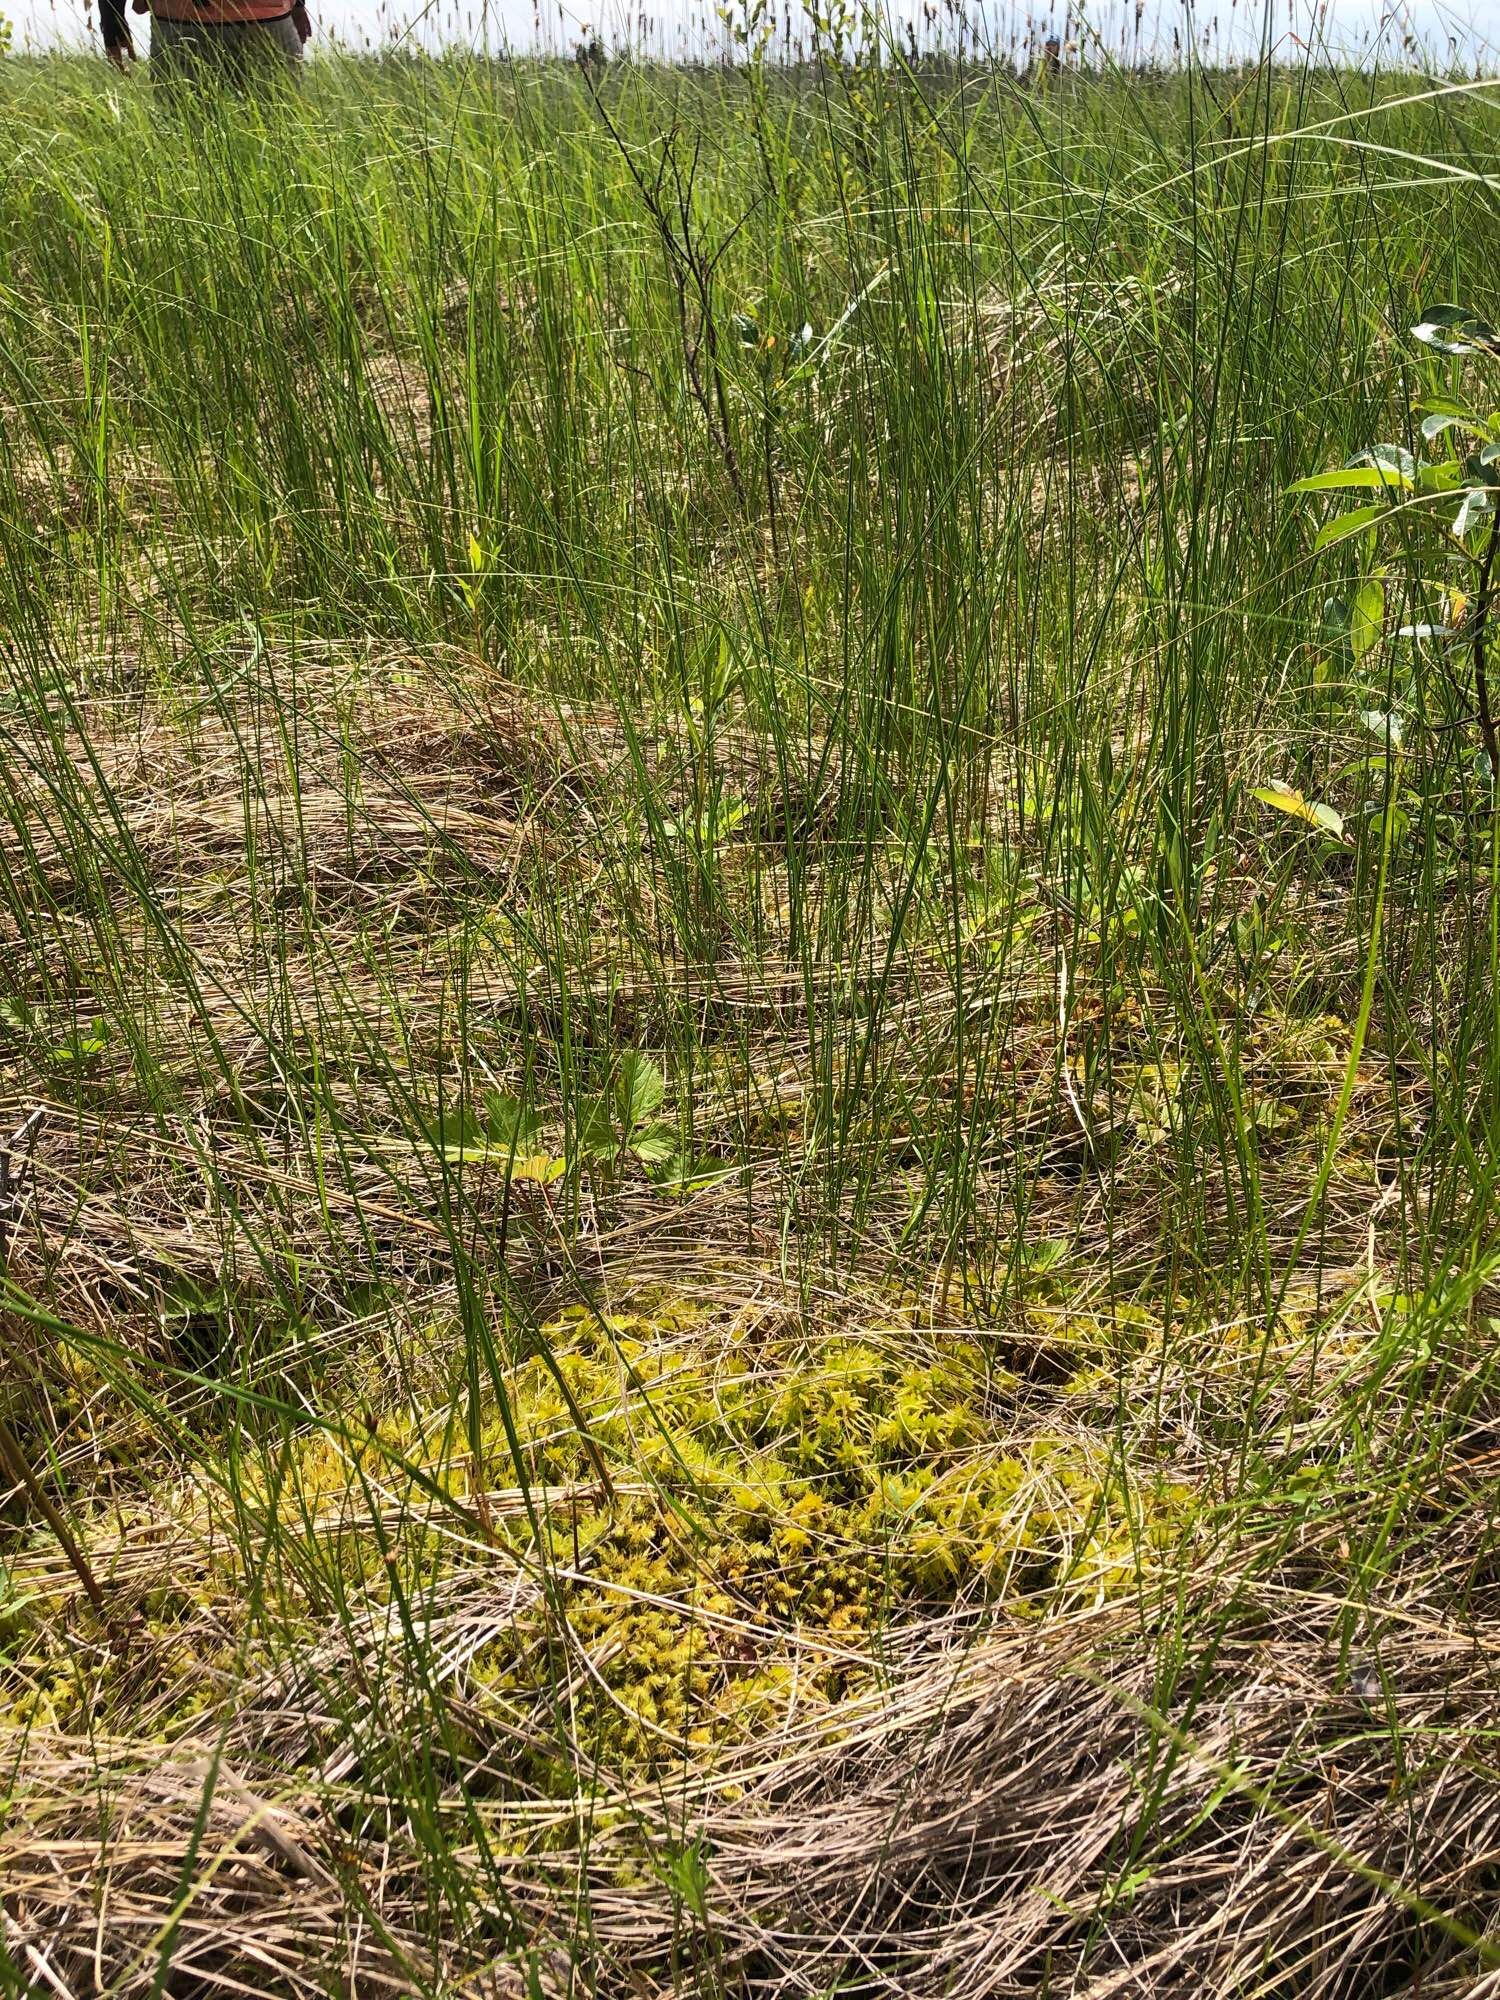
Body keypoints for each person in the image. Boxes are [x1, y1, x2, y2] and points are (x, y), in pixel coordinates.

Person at [100, 0, 312, 77]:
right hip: (268, 17)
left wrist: (112, 19)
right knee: (280, 141)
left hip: (179, 21)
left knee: (184, 146)